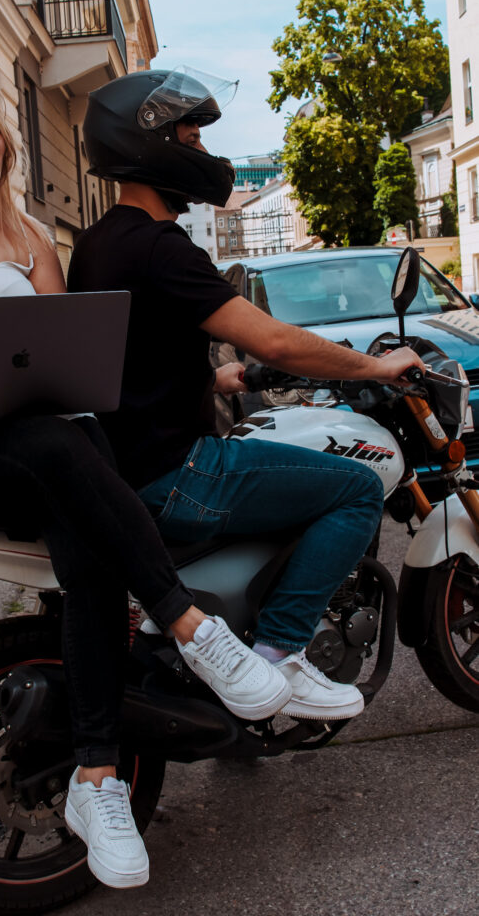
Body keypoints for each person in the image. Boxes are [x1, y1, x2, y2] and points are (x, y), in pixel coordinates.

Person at [0, 77, 297, 891]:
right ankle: (191, 628)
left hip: (43, 445)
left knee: (79, 511)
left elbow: (64, 356)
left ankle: (97, 782)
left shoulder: (27, 242)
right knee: (59, 449)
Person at [68, 67, 425, 721]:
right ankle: (281, 654)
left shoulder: (96, 243)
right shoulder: (161, 248)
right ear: (151, 143)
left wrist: (211, 378)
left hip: (123, 465)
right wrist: (374, 368)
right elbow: (278, 343)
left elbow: (129, 357)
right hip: (178, 472)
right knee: (351, 488)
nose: (203, 154)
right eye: (192, 138)